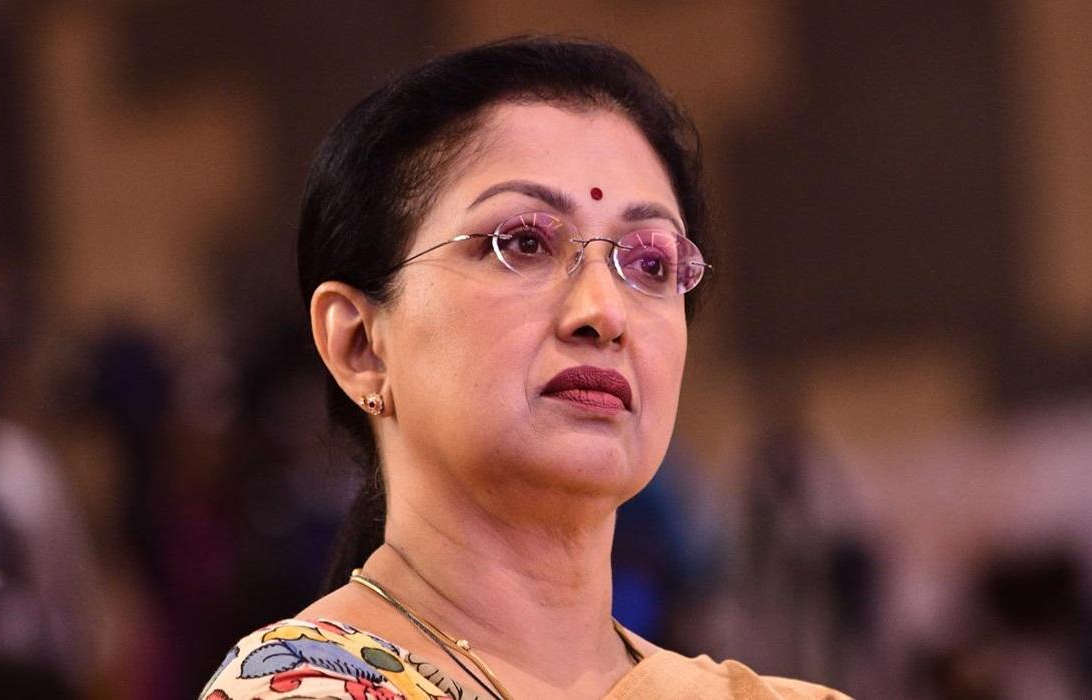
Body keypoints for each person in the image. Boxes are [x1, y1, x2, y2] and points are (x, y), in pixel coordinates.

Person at [201, 36, 848, 700]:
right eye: (524, 242)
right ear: (360, 345)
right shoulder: (304, 685)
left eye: (651, 263)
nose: (604, 312)